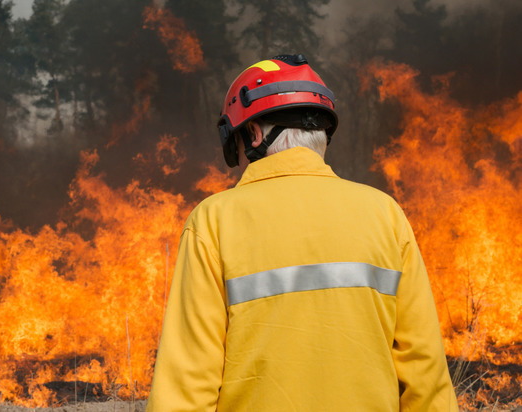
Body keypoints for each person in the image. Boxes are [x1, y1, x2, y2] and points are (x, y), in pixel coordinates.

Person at [146, 54, 458, 411]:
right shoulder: (385, 214)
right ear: (322, 132)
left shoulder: (212, 222)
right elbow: (425, 374)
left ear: (253, 133)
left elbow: (187, 385)